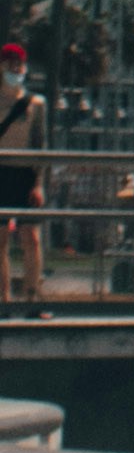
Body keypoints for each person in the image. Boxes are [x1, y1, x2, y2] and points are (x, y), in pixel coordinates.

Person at [0, 44, 45, 310]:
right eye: (10, 63)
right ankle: (3, 301)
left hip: (26, 175)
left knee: (32, 239)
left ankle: (32, 299)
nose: (15, 69)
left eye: (19, 64)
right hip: (1, 173)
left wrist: (38, 184)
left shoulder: (35, 104)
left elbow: (41, 146)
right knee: (1, 240)